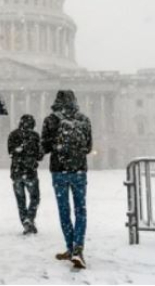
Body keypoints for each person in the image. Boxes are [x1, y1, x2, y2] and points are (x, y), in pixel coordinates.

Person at [41, 90, 92, 269]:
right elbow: (88, 147)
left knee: (64, 211)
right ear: (75, 101)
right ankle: (78, 248)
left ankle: (71, 248)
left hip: (59, 170)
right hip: (78, 170)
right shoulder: (84, 120)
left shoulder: (51, 120)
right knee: (80, 210)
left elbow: (45, 147)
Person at [7, 114, 43, 235]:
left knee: (20, 200)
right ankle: (30, 218)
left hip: (16, 172)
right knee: (35, 197)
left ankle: (25, 222)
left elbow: (10, 152)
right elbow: (40, 155)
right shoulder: (35, 136)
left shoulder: (13, 135)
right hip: (30, 171)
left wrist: (18, 151)